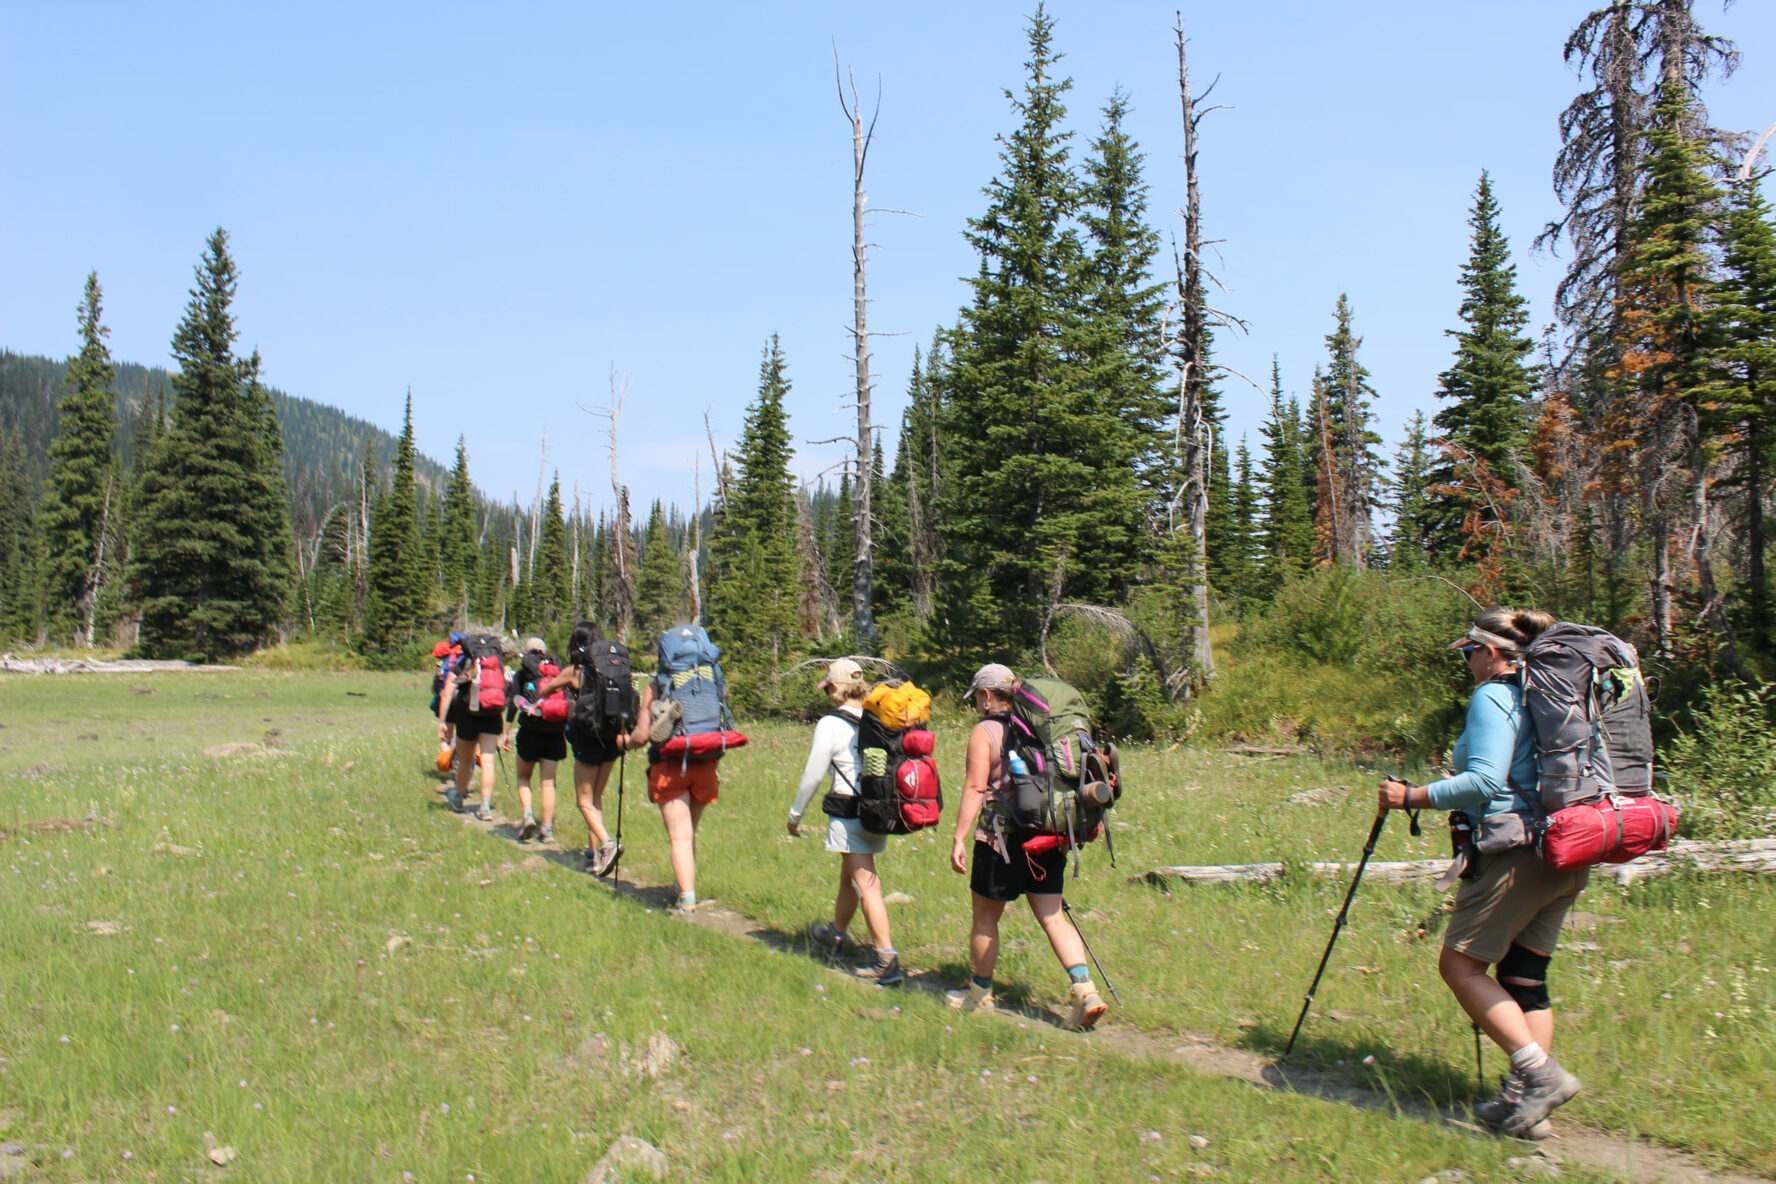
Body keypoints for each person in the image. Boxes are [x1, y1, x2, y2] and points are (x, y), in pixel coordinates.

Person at [1378, 607, 1582, 1139]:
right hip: (1567, 849)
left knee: (1460, 967)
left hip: (1516, 853)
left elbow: (1485, 781)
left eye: (1469, 652)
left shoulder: (1495, 695)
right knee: (1524, 978)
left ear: (1490, 652)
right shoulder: (1551, 693)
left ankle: (1540, 1076)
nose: (1467, 662)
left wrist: (1411, 797)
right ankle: (1524, 1106)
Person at [946, 663, 1107, 1031]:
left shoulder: (985, 731)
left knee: (985, 918)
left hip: (1000, 839)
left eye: (977, 697)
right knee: (1053, 916)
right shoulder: (1042, 729)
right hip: (1047, 834)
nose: (977, 704)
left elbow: (975, 787)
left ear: (987, 696)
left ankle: (979, 995)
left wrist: (958, 837)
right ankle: (1086, 991)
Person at [787, 658, 903, 985]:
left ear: (835, 688)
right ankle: (835, 935)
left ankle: (886, 960)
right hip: (878, 809)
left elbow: (813, 774)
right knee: (849, 877)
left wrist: (795, 815)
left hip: (849, 811)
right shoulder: (876, 717)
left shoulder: (830, 723)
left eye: (828, 689)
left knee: (867, 884)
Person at [536, 621, 623, 872]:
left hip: (588, 737)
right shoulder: (613, 667)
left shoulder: (575, 671)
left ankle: (607, 845)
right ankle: (594, 855)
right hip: (612, 737)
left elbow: (545, 690)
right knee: (596, 798)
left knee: (584, 801)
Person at [437, 638, 511, 819]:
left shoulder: (463, 662)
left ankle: (459, 796)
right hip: (492, 716)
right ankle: (485, 806)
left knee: (465, 760)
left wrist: (443, 721)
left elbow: (447, 693)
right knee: (488, 761)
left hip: (467, 716)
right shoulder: (497, 664)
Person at [507, 637, 565, 843]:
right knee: (548, 783)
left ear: (527, 652)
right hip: (555, 731)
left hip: (529, 731)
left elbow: (514, 702)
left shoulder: (523, 673)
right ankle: (547, 829)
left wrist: (505, 731)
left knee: (524, 777)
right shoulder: (557, 670)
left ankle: (528, 815)